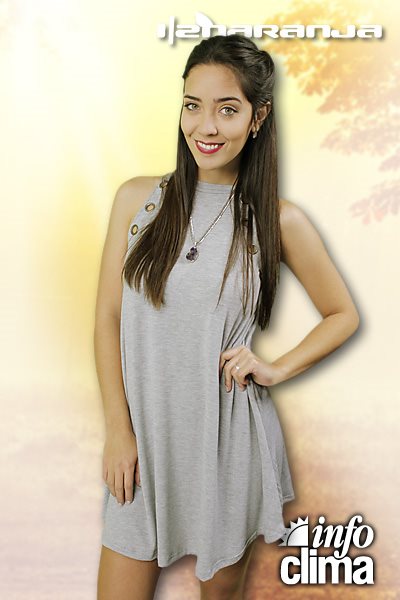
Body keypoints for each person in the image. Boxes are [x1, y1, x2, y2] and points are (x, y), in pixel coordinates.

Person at [94, 34, 360, 600]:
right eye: (193, 106)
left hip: (226, 444)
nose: (206, 126)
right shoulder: (136, 199)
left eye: (227, 109)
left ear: (258, 118)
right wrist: (118, 430)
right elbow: (108, 318)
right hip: (144, 443)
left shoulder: (277, 221)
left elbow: (342, 314)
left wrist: (276, 368)